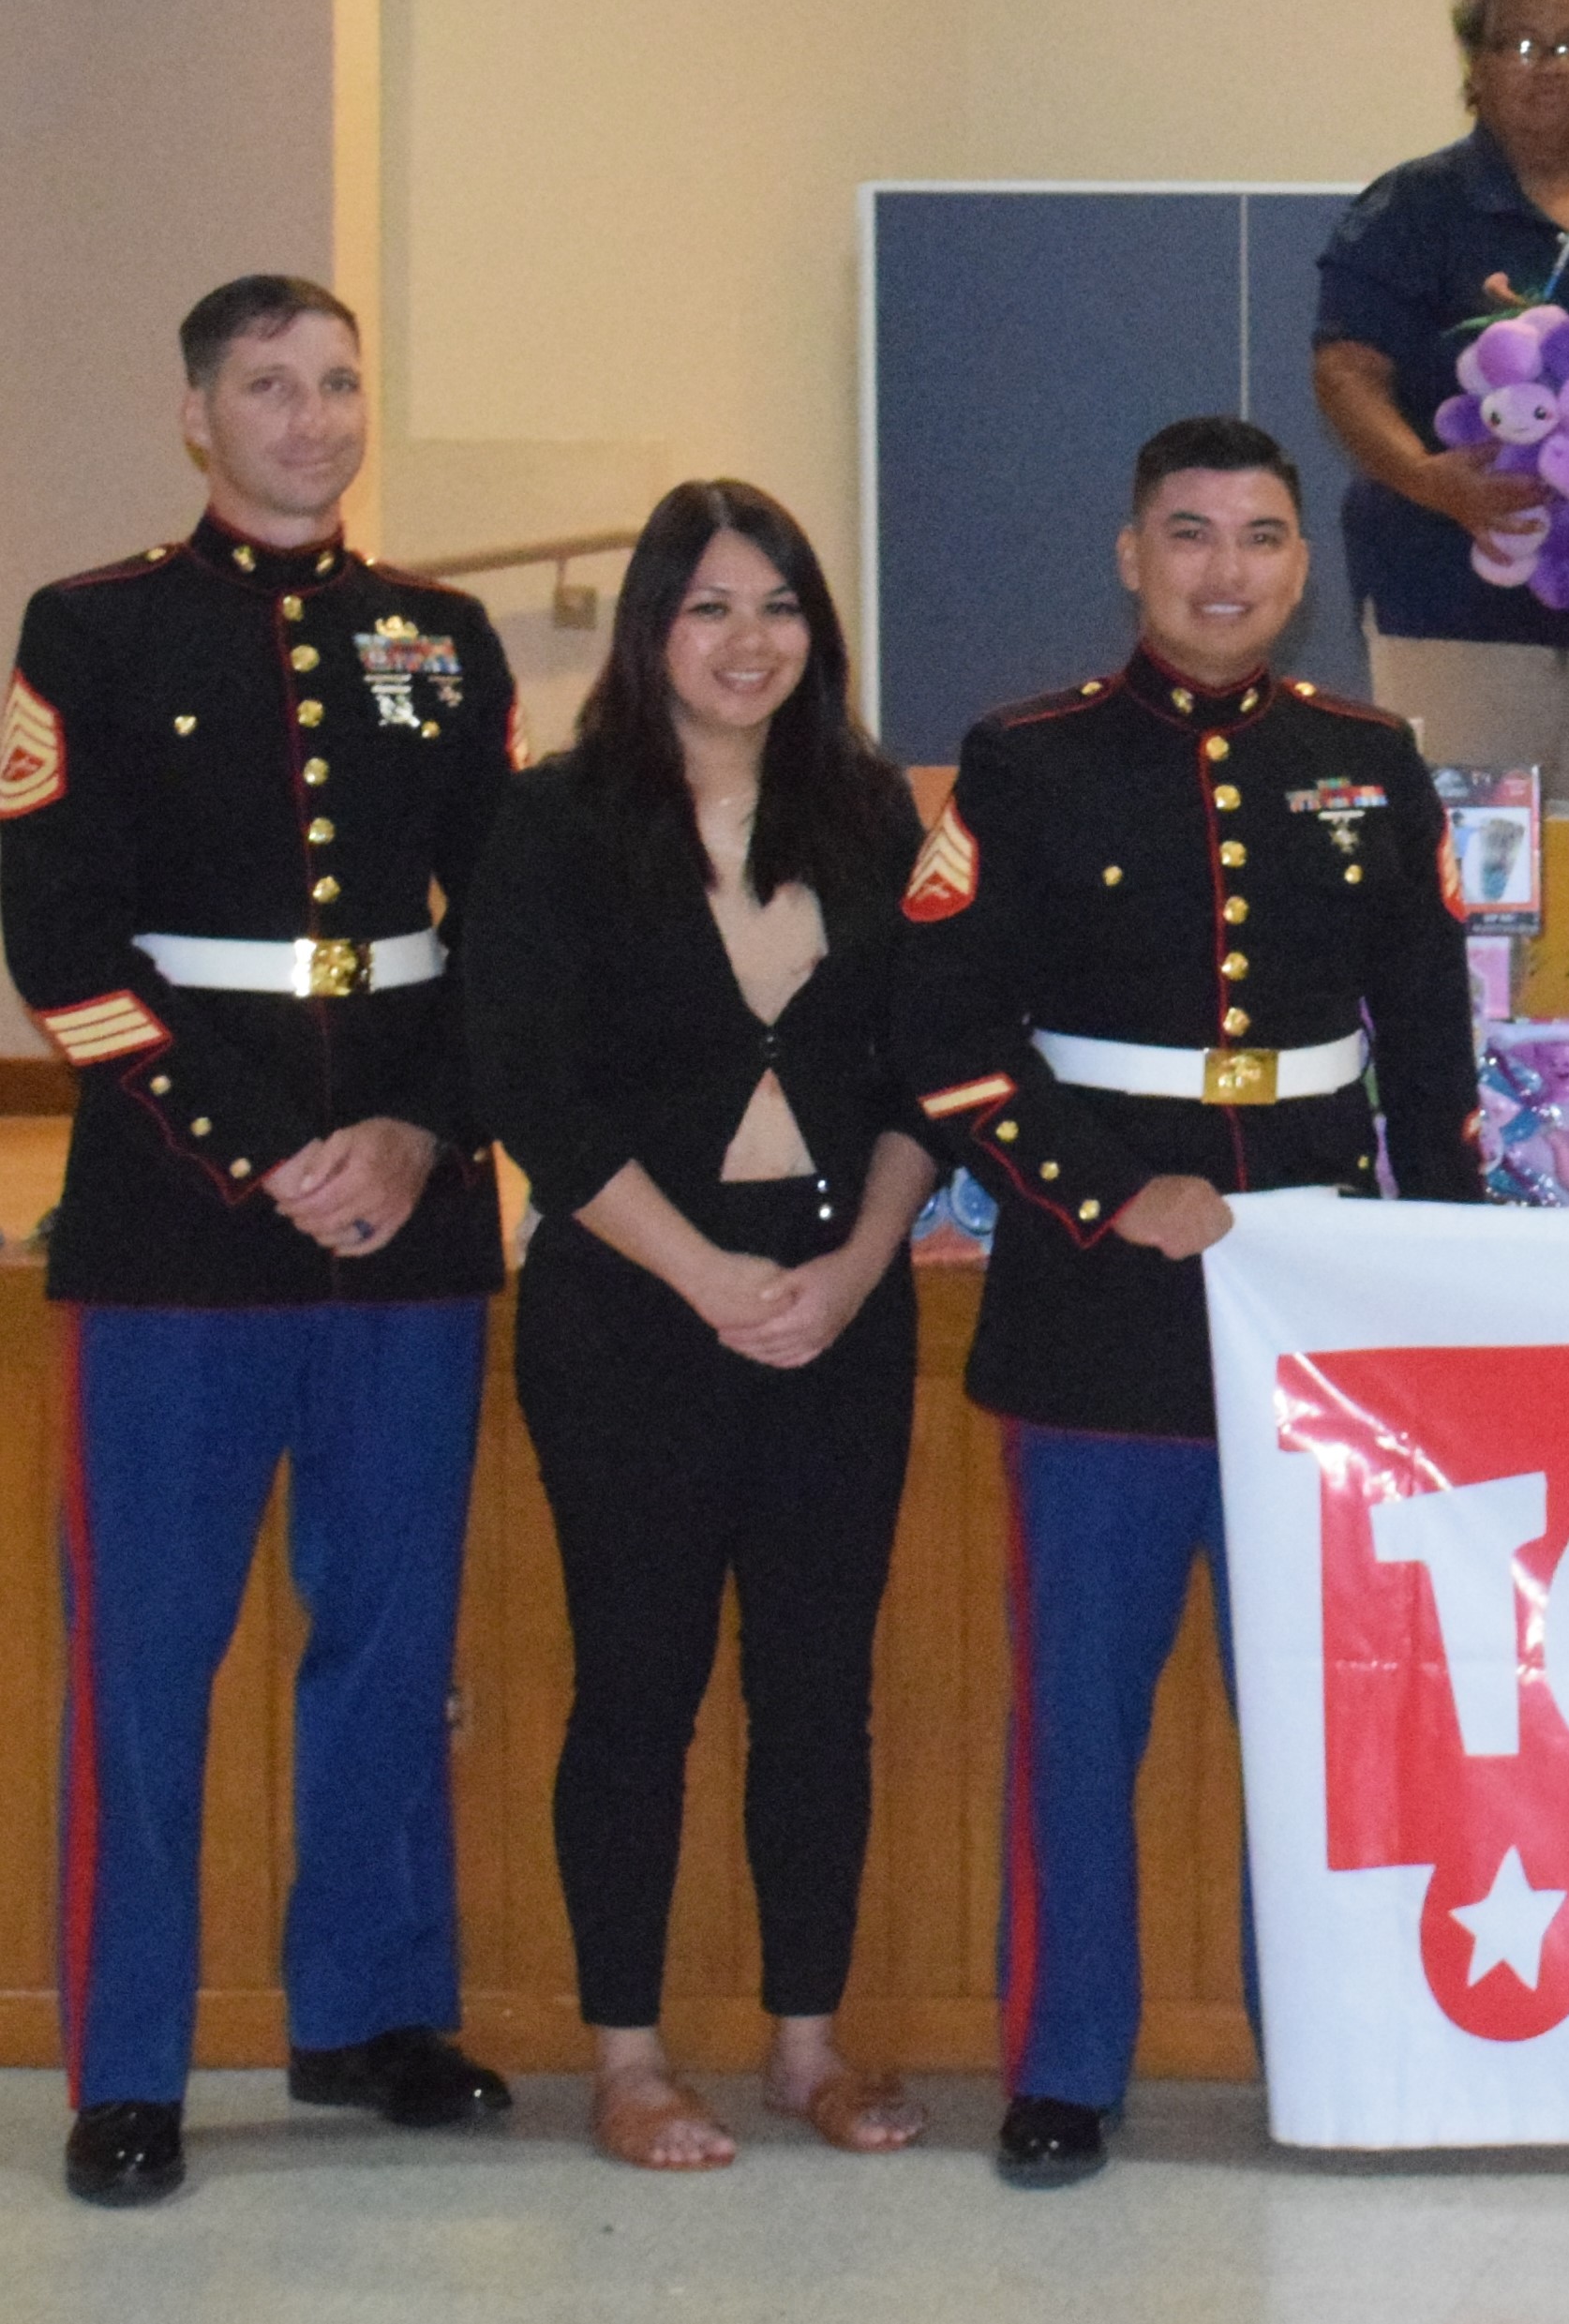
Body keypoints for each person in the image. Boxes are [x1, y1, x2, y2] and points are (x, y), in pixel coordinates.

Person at [893, 414, 1482, 2188]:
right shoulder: (1026, 760)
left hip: (1315, 1312)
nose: (1225, 570)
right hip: (1100, 1311)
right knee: (1080, 1720)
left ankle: (1328, 2046)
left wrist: (1443, 1264)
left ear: (1302, 564)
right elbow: (946, 1032)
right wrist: (1098, 1191)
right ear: (1130, 555)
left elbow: (1426, 1034)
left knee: (1323, 1719)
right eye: (1190, 533)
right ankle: (1067, 2065)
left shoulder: (1368, 759)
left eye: (1260, 536)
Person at [1, 276, 518, 2207]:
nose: (314, 417)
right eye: (271, 385)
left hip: (408, 1212)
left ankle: (367, 2014)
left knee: (390, 1638)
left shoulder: (442, 639)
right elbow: (62, 945)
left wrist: (418, 1131)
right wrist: (264, 1152)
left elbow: (506, 932)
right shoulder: (93, 629)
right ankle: (130, 2064)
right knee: (147, 1658)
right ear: (196, 416)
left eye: (341, 382)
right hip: (177, 1222)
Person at [460, 481, 934, 2170]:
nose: (749, 641)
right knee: (635, 1689)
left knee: (817, 1693)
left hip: (838, 1307)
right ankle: (628, 2057)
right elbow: (529, 1085)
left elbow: (929, 1072)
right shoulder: (555, 821)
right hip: (630, 1316)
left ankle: (807, 2045)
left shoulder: (873, 817)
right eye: (710, 606)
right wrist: (702, 1276)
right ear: (651, 629)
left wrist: (858, 1264)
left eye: (780, 605)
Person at [1309, 0, 1569, 800]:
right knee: (1471, 860)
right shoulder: (1413, 205)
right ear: (1475, 68)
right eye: (1520, 45)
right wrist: (1429, 479)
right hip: (1449, 603)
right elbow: (1346, 369)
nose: (1548, 66)